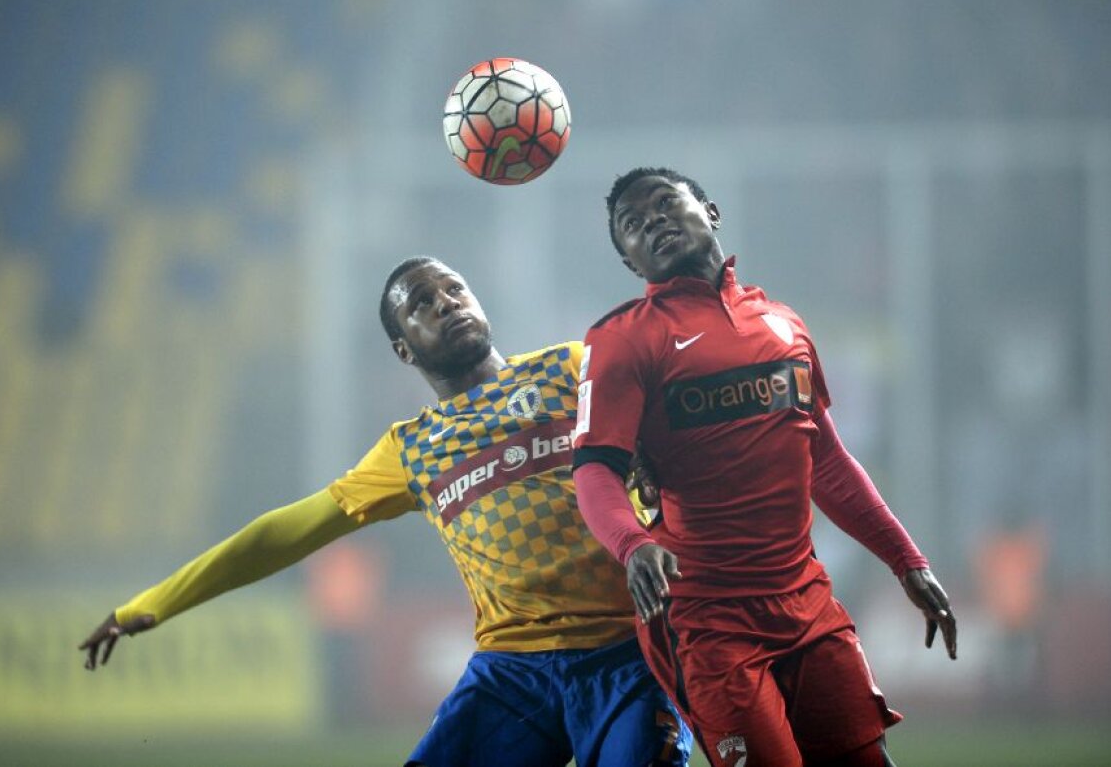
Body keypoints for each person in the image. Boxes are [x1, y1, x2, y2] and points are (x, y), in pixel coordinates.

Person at [78, 256, 692, 767]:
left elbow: (684, 425)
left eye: (456, 289)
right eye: (422, 303)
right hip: (512, 672)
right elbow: (281, 535)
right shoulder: (409, 449)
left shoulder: (572, 369)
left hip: (631, 651)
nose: (448, 302)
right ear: (403, 349)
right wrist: (151, 602)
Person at [570, 167, 957, 767]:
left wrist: (906, 559)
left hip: (806, 602)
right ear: (629, 262)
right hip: (706, 619)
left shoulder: (783, 323)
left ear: (712, 211)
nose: (654, 222)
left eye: (666, 204)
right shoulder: (622, 339)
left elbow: (826, 461)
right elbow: (593, 470)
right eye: (634, 225)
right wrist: (632, 544)